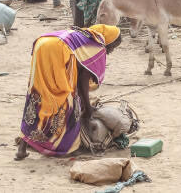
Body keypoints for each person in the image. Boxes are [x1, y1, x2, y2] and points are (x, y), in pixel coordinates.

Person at [15, 24, 122, 160]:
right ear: (110, 40)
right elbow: (83, 81)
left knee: (37, 97)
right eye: (112, 47)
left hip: (42, 43)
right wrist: (87, 108)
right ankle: (68, 148)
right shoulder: (97, 46)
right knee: (68, 101)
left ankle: (21, 149)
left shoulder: (85, 36)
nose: (110, 51)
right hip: (59, 48)